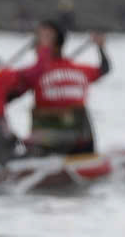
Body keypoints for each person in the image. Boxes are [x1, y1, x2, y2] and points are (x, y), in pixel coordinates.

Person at [19, 19, 111, 155]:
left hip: (52, 143)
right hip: (73, 141)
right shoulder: (80, 70)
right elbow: (105, 69)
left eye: (41, 39)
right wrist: (100, 47)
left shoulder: (35, 74)